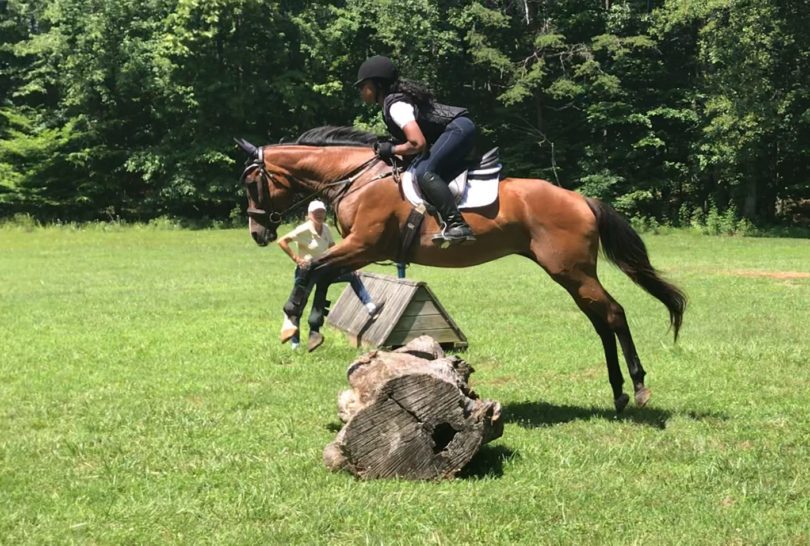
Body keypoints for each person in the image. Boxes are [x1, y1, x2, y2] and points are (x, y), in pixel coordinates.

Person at [355, 55, 477, 245]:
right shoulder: (391, 104)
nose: (361, 90)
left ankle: (457, 224)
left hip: (458, 129)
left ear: (377, 85)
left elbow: (418, 144)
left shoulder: (395, 106)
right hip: (457, 128)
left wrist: (392, 149)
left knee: (424, 172)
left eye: (363, 85)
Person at [278, 200, 381, 351]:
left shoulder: (326, 228)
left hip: (324, 270)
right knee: (299, 304)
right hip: (306, 272)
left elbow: (333, 248)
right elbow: (282, 241)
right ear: (309, 215)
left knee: (351, 276)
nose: (319, 215)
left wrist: (344, 263)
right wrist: (296, 258)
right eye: (316, 213)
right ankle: (295, 344)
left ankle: (369, 305)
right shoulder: (304, 229)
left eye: (322, 212)